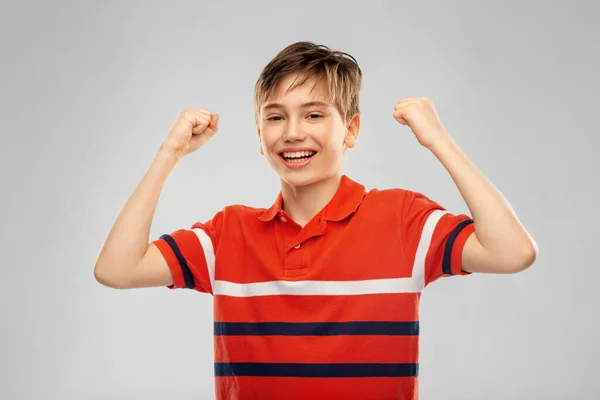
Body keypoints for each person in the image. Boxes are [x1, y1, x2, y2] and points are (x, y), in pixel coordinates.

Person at [94, 41, 538, 399]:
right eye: (275, 117)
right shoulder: (228, 234)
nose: (292, 132)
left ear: (351, 129)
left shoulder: (403, 219)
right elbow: (117, 269)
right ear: (259, 135)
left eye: (314, 114)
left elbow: (512, 252)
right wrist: (169, 153)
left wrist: (437, 139)